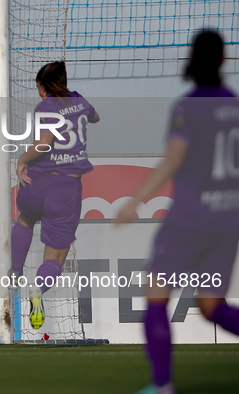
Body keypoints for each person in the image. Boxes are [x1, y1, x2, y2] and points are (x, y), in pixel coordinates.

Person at [114, 30, 239, 394]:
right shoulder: (234, 105)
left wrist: (134, 201)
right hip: (227, 220)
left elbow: (173, 161)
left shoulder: (187, 107)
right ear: (222, 60)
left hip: (190, 218)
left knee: (155, 292)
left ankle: (162, 384)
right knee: (212, 306)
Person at [8, 61, 100, 329]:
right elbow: (96, 117)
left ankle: (14, 274)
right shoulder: (80, 102)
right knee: (55, 258)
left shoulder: (45, 106)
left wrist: (21, 160)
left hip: (36, 182)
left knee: (25, 219)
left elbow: (44, 142)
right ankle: (36, 289)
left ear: (41, 87)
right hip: (65, 188)